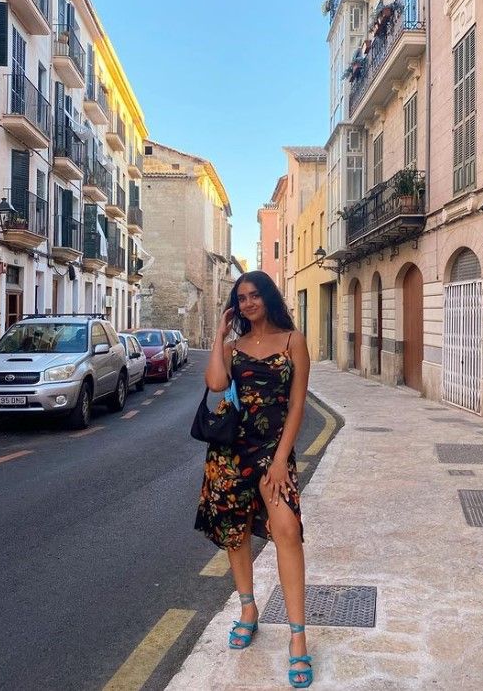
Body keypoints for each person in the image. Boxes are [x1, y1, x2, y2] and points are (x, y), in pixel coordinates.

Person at [195, 270, 313, 689]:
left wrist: (281, 459)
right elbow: (215, 383)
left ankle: (298, 637)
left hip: (272, 453)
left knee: (287, 531)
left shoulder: (292, 341)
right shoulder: (232, 347)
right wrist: (219, 335)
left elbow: (297, 405)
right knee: (236, 532)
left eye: (253, 295)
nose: (247, 303)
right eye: (241, 298)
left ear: (267, 297)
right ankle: (248, 608)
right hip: (230, 452)